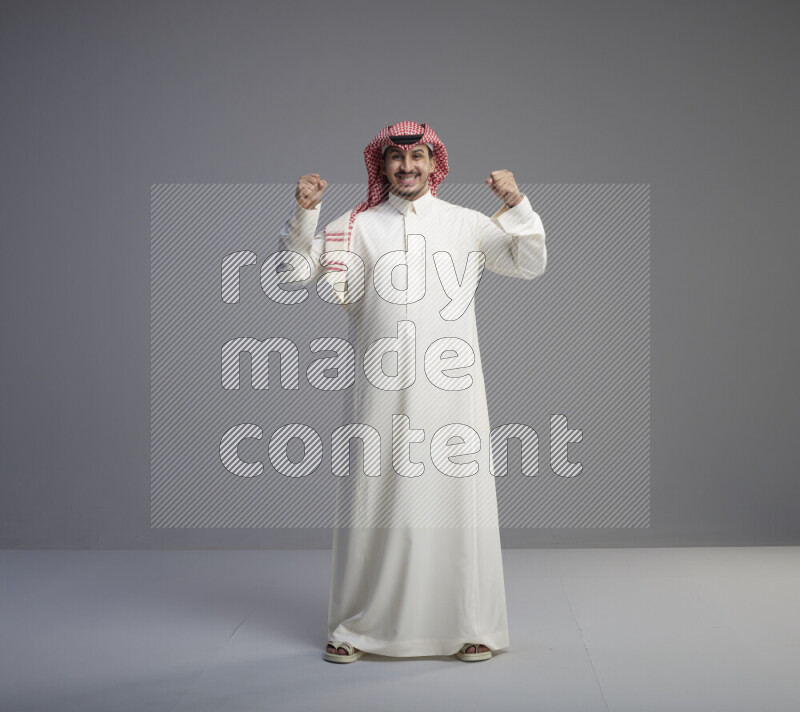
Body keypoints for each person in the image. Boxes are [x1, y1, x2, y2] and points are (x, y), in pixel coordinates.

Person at [278, 121, 547, 663]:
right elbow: (292, 275)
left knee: (455, 500)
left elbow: (530, 262)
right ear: (381, 167)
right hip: (380, 388)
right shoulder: (356, 226)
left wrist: (516, 202)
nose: (407, 168)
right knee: (373, 499)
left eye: (417, 158)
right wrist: (305, 213)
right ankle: (355, 627)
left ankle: (471, 625)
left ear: (433, 163)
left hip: (453, 391)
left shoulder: (466, 224)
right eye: (397, 160)